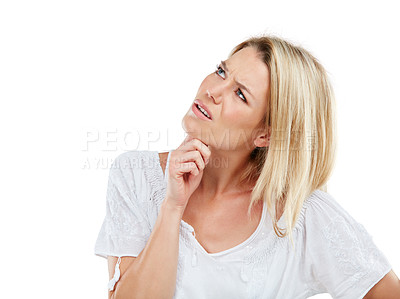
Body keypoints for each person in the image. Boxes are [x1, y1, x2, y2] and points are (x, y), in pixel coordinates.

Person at [94, 35, 400, 298]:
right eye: (221, 71)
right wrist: (173, 207)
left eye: (240, 94)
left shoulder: (299, 215)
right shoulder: (135, 176)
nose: (213, 91)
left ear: (266, 133)